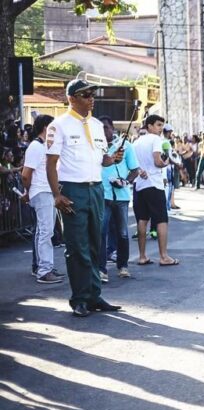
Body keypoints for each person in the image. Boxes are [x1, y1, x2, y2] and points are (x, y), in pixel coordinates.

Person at [44, 79, 124, 317]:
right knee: (77, 246)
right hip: (72, 190)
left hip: (96, 188)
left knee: (94, 243)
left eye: (92, 94)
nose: (91, 98)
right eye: (85, 94)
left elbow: (102, 160)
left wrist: (113, 159)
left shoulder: (98, 125)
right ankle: (79, 298)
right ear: (71, 98)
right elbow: (51, 163)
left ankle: (94, 296)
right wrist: (57, 194)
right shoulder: (58, 125)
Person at [21, 114, 65, 284]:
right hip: (42, 192)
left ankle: (43, 266)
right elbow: (26, 174)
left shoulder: (43, 146)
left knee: (44, 231)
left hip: (45, 192)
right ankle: (44, 270)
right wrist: (28, 191)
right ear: (46, 128)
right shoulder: (36, 147)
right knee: (45, 232)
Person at [98, 115, 143, 280]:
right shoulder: (96, 148)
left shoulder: (126, 146)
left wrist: (125, 181)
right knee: (101, 232)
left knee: (122, 233)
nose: (103, 132)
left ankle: (123, 266)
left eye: (106, 128)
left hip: (121, 196)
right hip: (102, 195)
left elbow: (135, 169)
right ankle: (101, 269)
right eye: (100, 128)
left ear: (112, 129)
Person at [132, 114, 179, 267]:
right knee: (161, 220)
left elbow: (133, 164)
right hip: (154, 183)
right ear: (150, 126)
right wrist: (167, 161)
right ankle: (164, 256)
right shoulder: (156, 140)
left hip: (139, 184)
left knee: (142, 220)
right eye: (158, 125)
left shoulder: (136, 142)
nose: (160, 129)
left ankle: (142, 256)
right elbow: (158, 162)